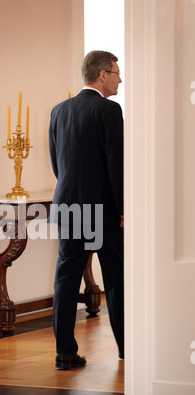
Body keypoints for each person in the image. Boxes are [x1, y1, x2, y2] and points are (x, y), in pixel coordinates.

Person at [49, 50, 124, 370]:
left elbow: (57, 164)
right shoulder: (109, 110)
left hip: (67, 205)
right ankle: (127, 348)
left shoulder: (59, 110)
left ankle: (65, 352)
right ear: (103, 75)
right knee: (117, 278)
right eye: (117, 73)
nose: (121, 79)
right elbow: (115, 165)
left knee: (66, 279)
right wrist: (124, 208)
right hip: (103, 209)